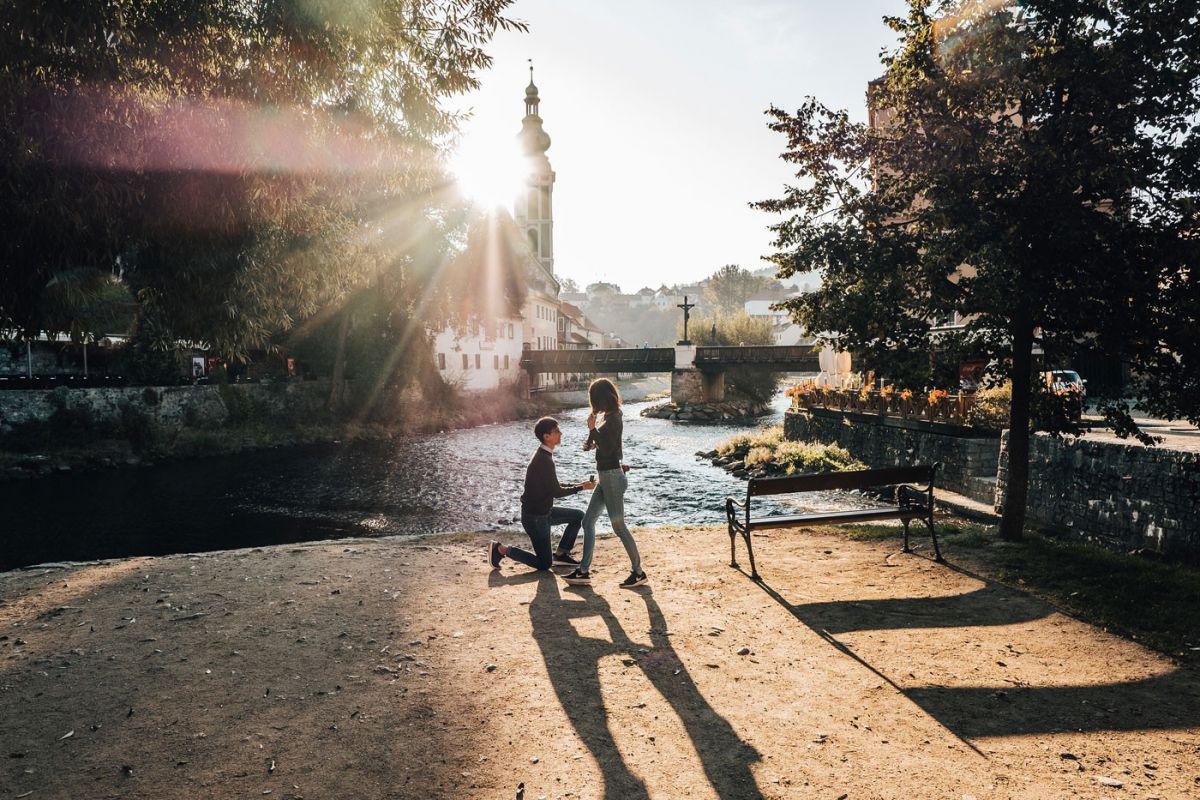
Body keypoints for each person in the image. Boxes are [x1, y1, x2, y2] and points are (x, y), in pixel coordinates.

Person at [564, 378, 647, 588]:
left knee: (619, 528)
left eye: (593, 399)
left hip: (611, 478)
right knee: (587, 521)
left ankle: (638, 573)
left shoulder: (614, 419)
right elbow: (610, 446)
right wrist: (592, 441)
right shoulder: (611, 416)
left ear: (600, 398)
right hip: (607, 476)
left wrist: (592, 429)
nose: (593, 404)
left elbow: (609, 449)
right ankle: (583, 571)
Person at [490, 417, 595, 572]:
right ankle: (501, 550)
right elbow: (556, 492)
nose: (561, 433)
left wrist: (580, 485)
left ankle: (561, 554)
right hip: (536, 519)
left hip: (544, 513)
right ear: (546, 436)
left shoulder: (544, 455)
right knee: (544, 564)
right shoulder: (543, 460)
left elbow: (552, 486)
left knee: (578, 516)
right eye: (556, 431)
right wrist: (580, 488)